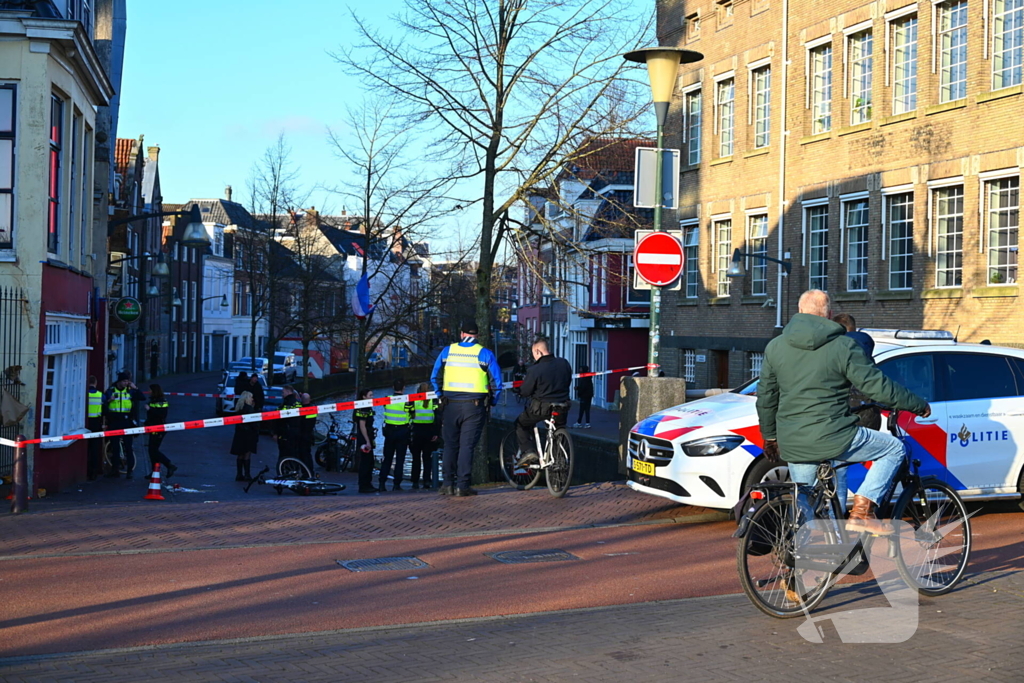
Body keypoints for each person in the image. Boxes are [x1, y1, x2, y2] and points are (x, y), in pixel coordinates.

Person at [756, 290, 930, 537]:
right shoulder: (844, 345)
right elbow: (876, 386)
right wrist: (916, 404)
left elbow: (766, 397)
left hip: (792, 440)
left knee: (807, 508)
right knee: (895, 449)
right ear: (828, 314)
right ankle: (862, 513)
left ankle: (797, 568)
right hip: (834, 435)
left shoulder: (776, 346)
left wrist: (770, 437)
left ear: (800, 311)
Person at [430, 320, 503, 497]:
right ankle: (463, 486)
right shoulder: (485, 354)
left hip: (450, 405)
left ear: (462, 334)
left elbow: (435, 377)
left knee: (450, 445)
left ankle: (447, 484)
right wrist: (492, 401)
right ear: (477, 335)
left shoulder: (447, 351)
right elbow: (497, 383)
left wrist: (440, 395)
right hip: (474, 407)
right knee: (467, 446)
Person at [514, 339, 573, 467]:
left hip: (541, 408)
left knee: (521, 423)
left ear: (538, 351)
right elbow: (568, 381)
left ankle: (528, 451)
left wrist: (519, 391)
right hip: (562, 406)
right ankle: (559, 463)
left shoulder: (535, 369)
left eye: (533, 354)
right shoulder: (564, 363)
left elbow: (526, 391)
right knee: (558, 429)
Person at [102, 371, 146, 480]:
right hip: (114, 421)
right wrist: (109, 400)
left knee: (128, 447)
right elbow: (103, 404)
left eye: (127, 381)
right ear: (120, 381)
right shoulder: (111, 391)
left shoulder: (130, 391)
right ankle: (115, 470)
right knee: (115, 447)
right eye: (125, 381)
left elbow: (142, 397)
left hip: (126, 421)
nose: (127, 383)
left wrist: (135, 388)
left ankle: (129, 471)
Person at [380, 379, 414, 492]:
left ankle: (381, 483)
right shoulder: (407, 401)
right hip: (402, 431)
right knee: (400, 459)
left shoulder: (386, 399)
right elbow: (412, 413)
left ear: (392, 387)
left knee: (387, 459)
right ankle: (396, 485)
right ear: (404, 387)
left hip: (389, 431)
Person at [409, 382, 440, 489]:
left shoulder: (413, 399)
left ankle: (415, 481)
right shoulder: (433, 400)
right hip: (429, 431)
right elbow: (437, 417)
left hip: (416, 431)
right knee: (427, 458)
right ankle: (427, 480)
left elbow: (409, 414)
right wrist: (436, 433)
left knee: (416, 458)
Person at [144, 384, 177, 478]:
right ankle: (155, 472)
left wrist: (150, 409)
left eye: (150, 390)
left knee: (153, 450)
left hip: (159, 429)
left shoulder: (162, 401)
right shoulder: (153, 400)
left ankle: (169, 465)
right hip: (153, 428)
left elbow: (161, 414)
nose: (148, 391)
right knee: (152, 451)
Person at [230, 391, 259, 481]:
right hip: (248, 434)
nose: (252, 399)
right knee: (247, 454)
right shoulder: (250, 409)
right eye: (251, 397)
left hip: (239, 434)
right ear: (247, 398)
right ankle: (247, 474)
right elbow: (254, 423)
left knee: (240, 454)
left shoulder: (239, 408)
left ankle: (239, 474)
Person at [353, 388, 378, 493]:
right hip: (364, 438)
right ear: (364, 397)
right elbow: (362, 426)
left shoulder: (367, 407)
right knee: (366, 462)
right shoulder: (363, 408)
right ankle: (364, 485)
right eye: (370, 395)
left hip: (368, 436)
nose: (372, 397)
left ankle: (367, 483)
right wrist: (367, 441)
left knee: (370, 462)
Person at [273, 385, 300, 468]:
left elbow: (278, 421)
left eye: (283, 392)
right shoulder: (298, 404)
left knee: (283, 455)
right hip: (296, 433)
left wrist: (275, 433)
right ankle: (294, 471)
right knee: (294, 454)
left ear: (288, 392)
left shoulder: (284, 405)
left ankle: (283, 472)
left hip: (285, 434)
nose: (282, 394)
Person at [85, 376, 103, 481]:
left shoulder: (84, 394)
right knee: (95, 448)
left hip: (85, 422)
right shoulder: (100, 395)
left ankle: (87, 470)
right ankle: (94, 471)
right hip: (96, 423)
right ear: (95, 382)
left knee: (87, 448)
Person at [297, 392, 317, 474]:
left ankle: (305, 473)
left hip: (302, 435)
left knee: (303, 455)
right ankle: (310, 472)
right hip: (309, 434)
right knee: (308, 455)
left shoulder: (301, 410)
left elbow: (300, 422)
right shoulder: (313, 409)